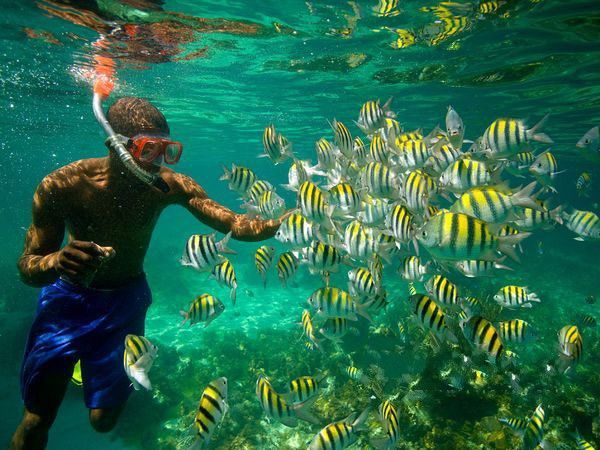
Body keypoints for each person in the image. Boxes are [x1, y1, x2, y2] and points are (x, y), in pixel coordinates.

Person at [9, 97, 283, 450]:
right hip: (67, 302)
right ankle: (77, 360)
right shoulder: (62, 185)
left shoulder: (169, 185)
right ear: (118, 146)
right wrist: (57, 261)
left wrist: (277, 224)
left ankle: (88, 363)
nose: (159, 163)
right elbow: (27, 268)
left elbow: (232, 222)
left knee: (103, 422)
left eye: (168, 151)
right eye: (149, 150)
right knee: (37, 419)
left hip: (126, 302)